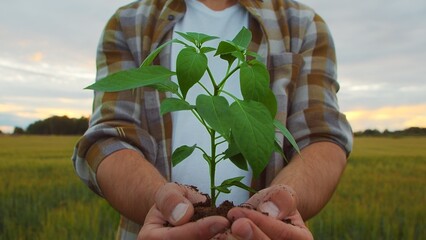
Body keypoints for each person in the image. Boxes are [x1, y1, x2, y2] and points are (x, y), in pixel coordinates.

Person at [72, 0, 353, 239]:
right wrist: (165, 203)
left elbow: (323, 136)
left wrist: (279, 203)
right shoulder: (130, 22)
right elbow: (109, 138)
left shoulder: (302, 24)